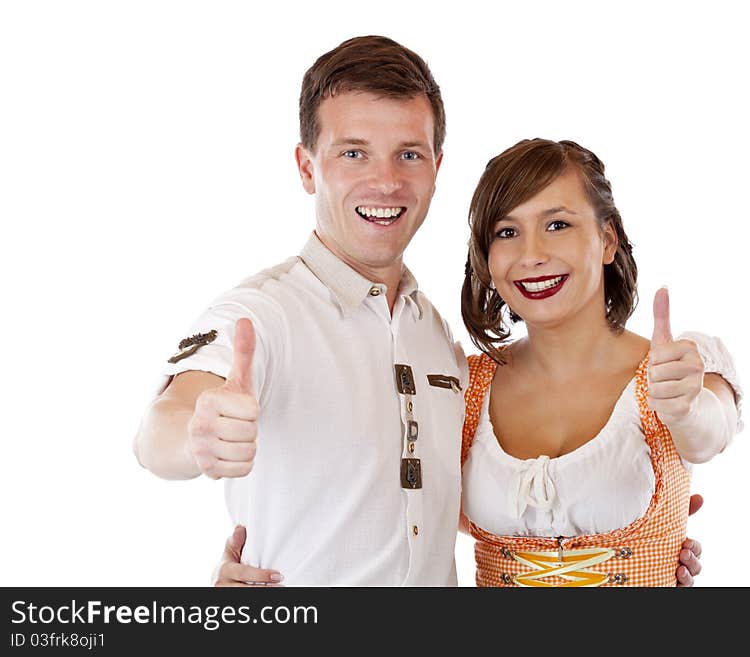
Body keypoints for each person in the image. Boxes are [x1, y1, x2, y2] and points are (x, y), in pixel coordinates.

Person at [134, 35, 704, 586]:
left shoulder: (435, 337)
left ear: (436, 167)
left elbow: (456, 506)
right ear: (307, 167)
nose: (385, 181)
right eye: (353, 153)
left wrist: (644, 538)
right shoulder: (262, 315)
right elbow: (163, 426)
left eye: (408, 154)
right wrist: (197, 436)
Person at [457, 138, 742, 586]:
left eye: (557, 225)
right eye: (506, 232)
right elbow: (423, 510)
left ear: (607, 239)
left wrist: (684, 410)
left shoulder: (675, 369)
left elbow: (710, 432)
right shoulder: (465, 386)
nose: (532, 254)